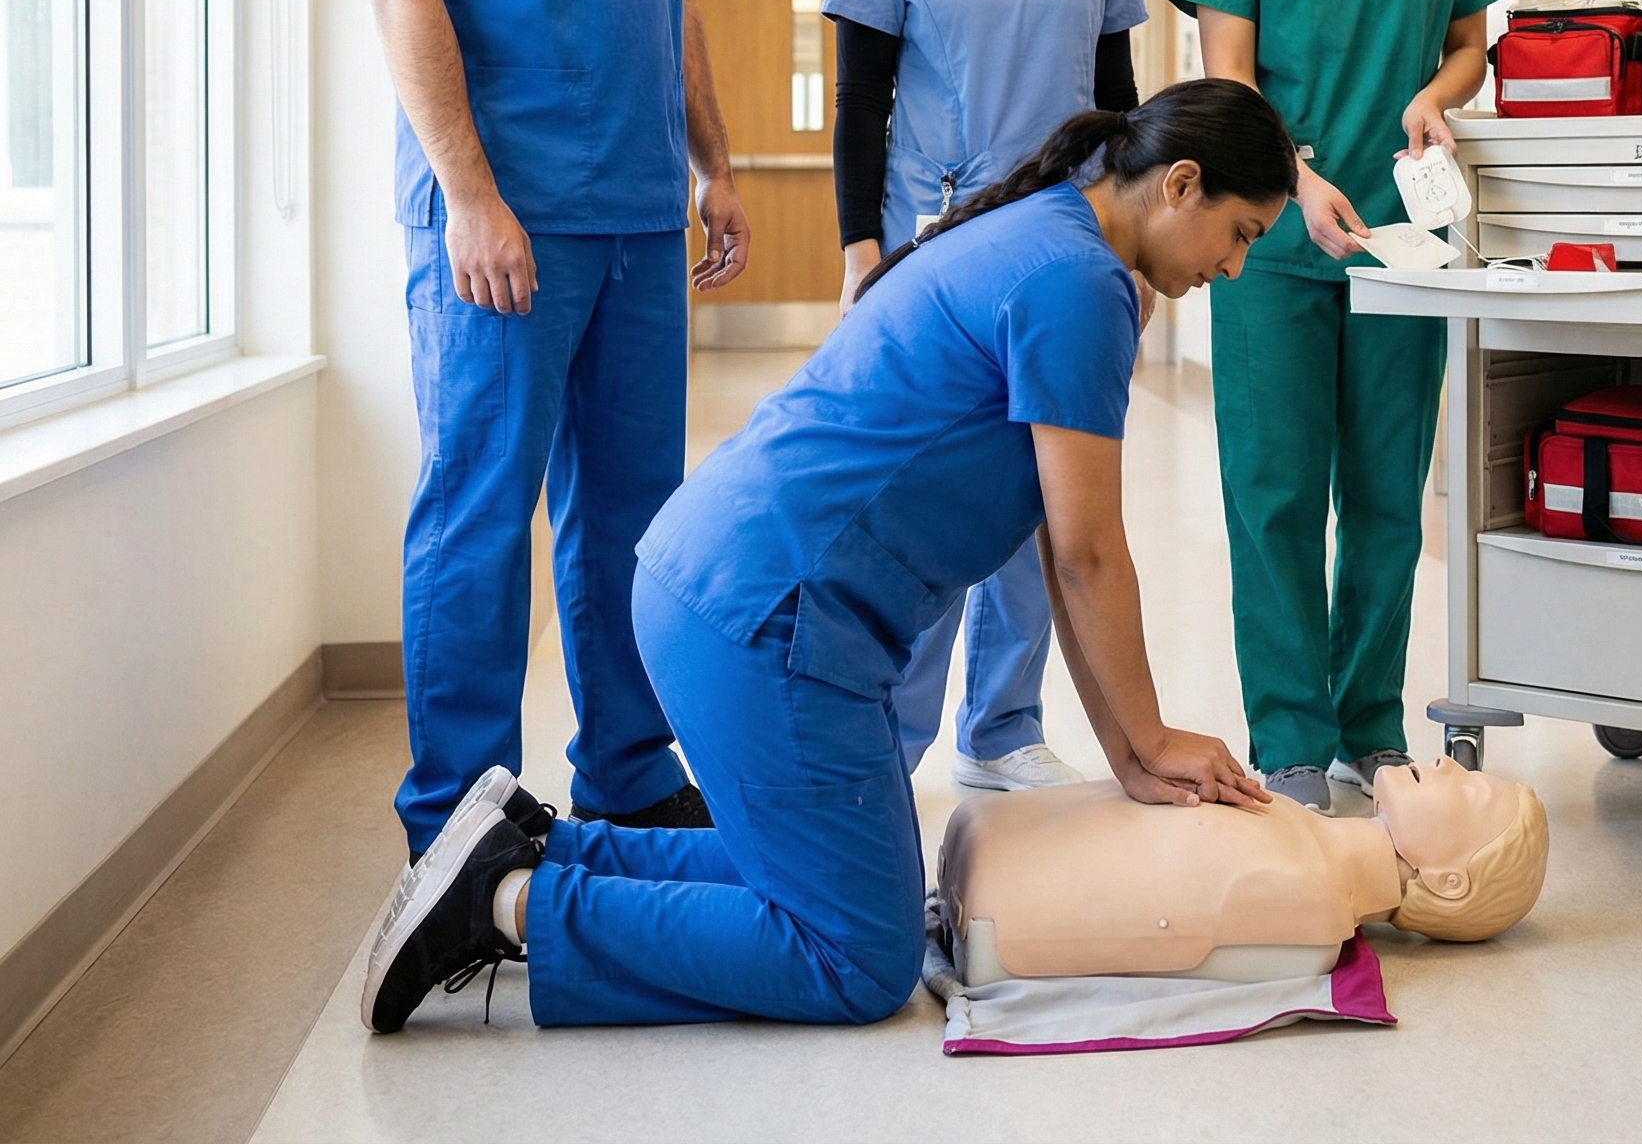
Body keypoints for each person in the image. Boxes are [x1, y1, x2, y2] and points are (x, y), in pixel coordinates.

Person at [360, 81, 1298, 1034]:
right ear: (1181, 185)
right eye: (1242, 234)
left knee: (826, 874)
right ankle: (498, 908)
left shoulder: (1050, 233)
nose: (1233, 266)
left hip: (718, 586)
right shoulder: (1079, 285)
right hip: (765, 621)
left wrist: (1132, 753)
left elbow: (1067, 553)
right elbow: (1092, 556)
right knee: (860, 955)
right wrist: (1154, 738)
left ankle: (532, 855)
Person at [361, 0, 748, 860]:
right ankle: (460, 826)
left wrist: (712, 162)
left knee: (633, 525)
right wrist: (467, 192)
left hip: (639, 216)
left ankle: (629, 773)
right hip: (504, 221)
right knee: (480, 515)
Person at [1170, 0, 1515, 813]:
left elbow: (1472, 43)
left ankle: (1369, 720)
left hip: (1399, 239)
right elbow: (1229, 76)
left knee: (1383, 490)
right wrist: (1299, 176)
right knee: (1274, 485)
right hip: (1269, 231)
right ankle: (1291, 734)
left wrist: (1437, 98)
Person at [824, 0, 1146, 796]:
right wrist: (859, 246)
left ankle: (1004, 727)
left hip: (1058, 239)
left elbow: (1118, 100)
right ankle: (887, 740)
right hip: (933, 240)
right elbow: (858, 99)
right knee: (926, 498)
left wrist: (1135, 254)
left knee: (1036, 491)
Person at [937, 756, 1549, 984]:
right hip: (993, 850)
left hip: (997, 896)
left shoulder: (1311, 908)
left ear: (1448, 880)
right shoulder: (1299, 833)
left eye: (1467, 791)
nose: (1447, 761)